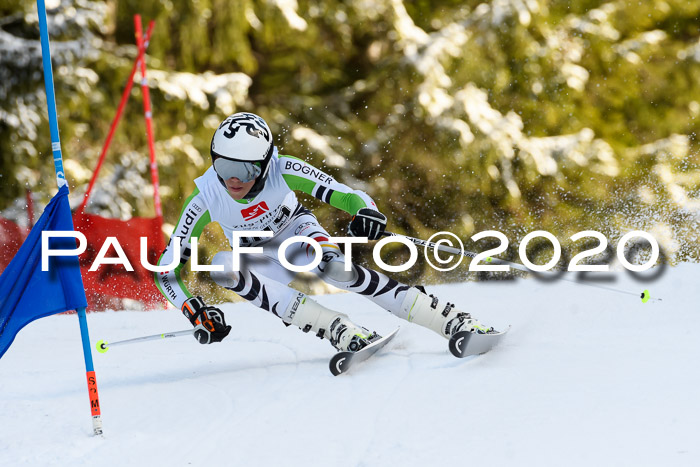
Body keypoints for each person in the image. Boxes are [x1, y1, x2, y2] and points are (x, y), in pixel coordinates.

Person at [155, 112, 492, 351]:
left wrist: (366, 212)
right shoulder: (205, 198)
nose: (233, 180)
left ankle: (449, 320)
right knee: (223, 267)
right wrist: (194, 311)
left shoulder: (283, 168)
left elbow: (345, 193)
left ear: (266, 162)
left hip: (295, 230)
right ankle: (335, 328)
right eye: (223, 165)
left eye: (245, 169)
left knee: (336, 270)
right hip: (255, 252)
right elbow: (166, 270)